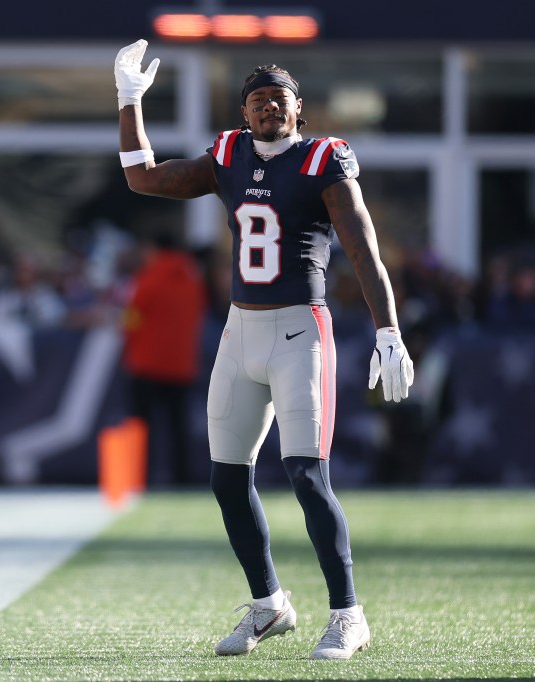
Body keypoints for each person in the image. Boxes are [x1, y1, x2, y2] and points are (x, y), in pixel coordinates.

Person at [114, 40, 414, 660]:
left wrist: (388, 330)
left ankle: (348, 615)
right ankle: (269, 603)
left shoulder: (323, 159)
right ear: (244, 113)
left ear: (299, 108)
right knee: (227, 480)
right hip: (239, 331)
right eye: (258, 100)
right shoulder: (227, 154)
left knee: (306, 474)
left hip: (301, 329)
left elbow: (363, 249)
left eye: (279, 99)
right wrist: (129, 103)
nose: (268, 108)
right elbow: (143, 179)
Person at [121, 226, 208, 487]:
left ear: (154, 249)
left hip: (147, 364)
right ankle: (181, 480)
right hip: (181, 366)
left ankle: (138, 478)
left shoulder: (147, 278)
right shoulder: (193, 279)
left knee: (140, 427)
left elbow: (132, 318)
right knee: (178, 429)